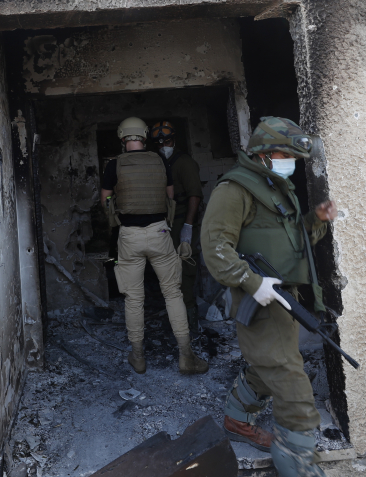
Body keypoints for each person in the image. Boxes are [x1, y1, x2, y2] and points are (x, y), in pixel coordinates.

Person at [200, 116, 338, 477]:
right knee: (290, 378)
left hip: (281, 294)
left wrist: (317, 220)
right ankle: (297, 460)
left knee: (274, 361)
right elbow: (215, 248)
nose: (289, 161)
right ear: (263, 154)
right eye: (284, 153)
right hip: (259, 297)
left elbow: (294, 242)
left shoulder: (275, 187)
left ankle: (236, 419)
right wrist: (251, 282)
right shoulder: (235, 189)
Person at [100, 117, 209, 376]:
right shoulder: (160, 161)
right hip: (160, 231)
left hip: (129, 236)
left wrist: (115, 218)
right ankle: (186, 356)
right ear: (145, 136)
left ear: (122, 137)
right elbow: (170, 196)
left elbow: (105, 200)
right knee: (173, 294)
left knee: (134, 298)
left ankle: (138, 357)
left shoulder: (113, 164)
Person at [151, 120, 204, 335]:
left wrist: (188, 227)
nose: (164, 145)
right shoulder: (158, 162)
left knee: (185, 271)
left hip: (183, 222)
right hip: (166, 225)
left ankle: (191, 324)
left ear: (175, 140)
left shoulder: (184, 163)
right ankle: (176, 321)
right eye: (160, 142)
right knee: (167, 273)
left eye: (168, 141)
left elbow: (194, 195)